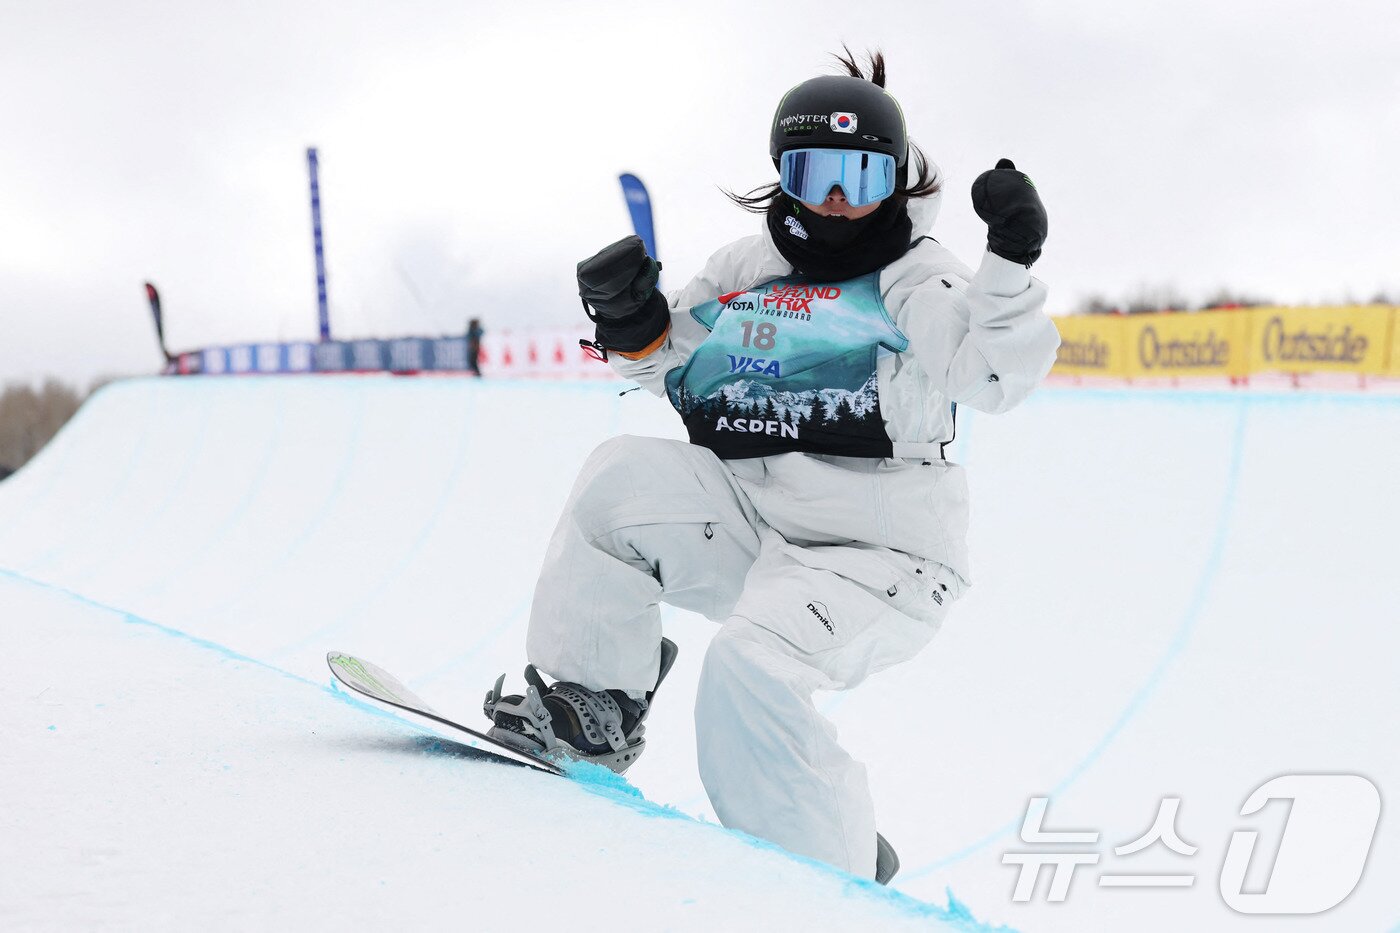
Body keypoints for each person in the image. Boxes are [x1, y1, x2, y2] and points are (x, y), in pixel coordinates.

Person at [483, 50, 1058, 882]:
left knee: (749, 668)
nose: (834, 198)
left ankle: (827, 876)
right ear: (782, 176)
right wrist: (631, 322)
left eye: (858, 177)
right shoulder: (745, 272)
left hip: (880, 559)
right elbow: (673, 365)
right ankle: (591, 707)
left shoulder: (915, 279)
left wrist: (1008, 266)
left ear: (893, 182)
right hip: (759, 527)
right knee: (617, 482)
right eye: (813, 172)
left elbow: (990, 374)